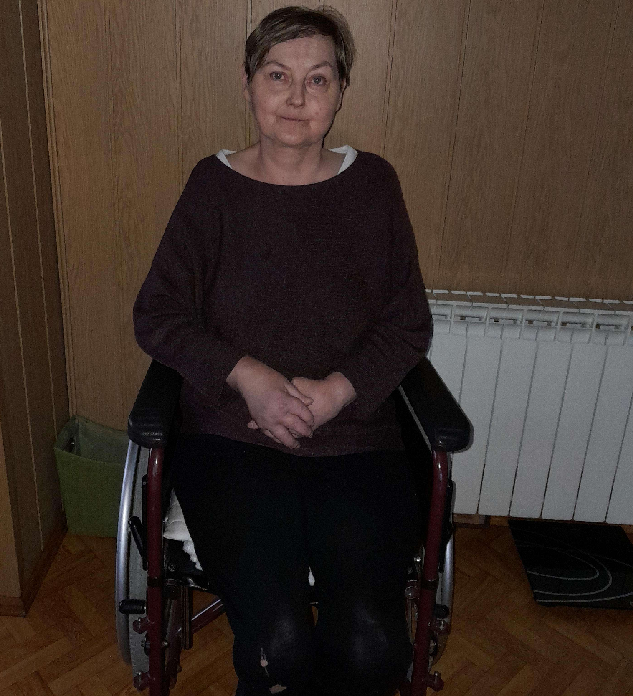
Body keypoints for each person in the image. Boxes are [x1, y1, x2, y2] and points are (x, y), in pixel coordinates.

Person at [133, 6, 432, 695]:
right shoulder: (212, 187)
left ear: (341, 91)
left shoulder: (373, 186)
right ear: (248, 84)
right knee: (280, 646)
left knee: (372, 648)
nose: (297, 98)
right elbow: (158, 313)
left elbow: (406, 322)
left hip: (354, 440)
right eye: (277, 76)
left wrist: (335, 392)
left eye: (317, 79)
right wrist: (249, 377)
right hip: (231, 440)